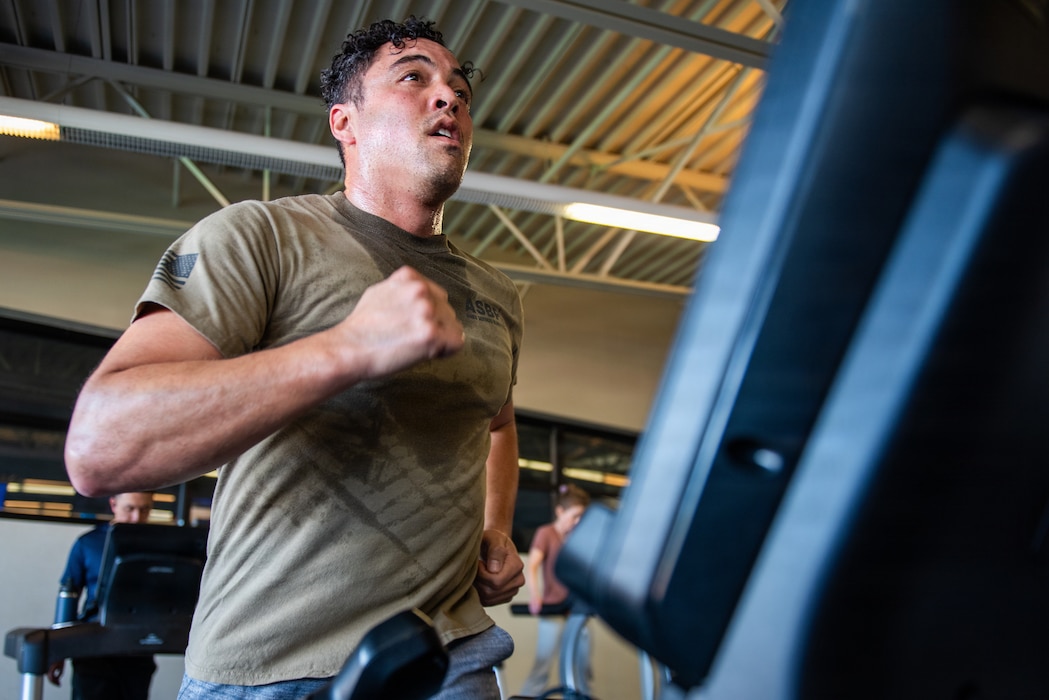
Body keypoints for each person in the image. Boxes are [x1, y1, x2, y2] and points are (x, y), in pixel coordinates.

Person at [62, 15, 525, 700]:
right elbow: (100, 450)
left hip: (446, 656)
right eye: (414, 78)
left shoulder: (495, 294)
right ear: (346, 122)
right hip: (269, 670)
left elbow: (496, 421)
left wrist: (495, 527)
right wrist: (347, 349)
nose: (448, 97)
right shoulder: (260, 238)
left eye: (457, 87)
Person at [50, 492, 156, 700]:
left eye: (144, 510)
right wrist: (57, 649)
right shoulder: (88, 544)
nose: (137, 517)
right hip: (93, 650)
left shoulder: (157, 544)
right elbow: (68, 595)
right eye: (130, 509)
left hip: (137, 649)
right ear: (113, 504)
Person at [518, 484, 591, 697]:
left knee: (583, 670)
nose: (577, 522)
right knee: (543, 664)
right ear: (560, 511)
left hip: (577, 611)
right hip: (553, 609)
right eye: (574, 516)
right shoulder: (546, 533)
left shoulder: (578, 538)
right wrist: (535, 595)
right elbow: (532, 564)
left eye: (581, 518)